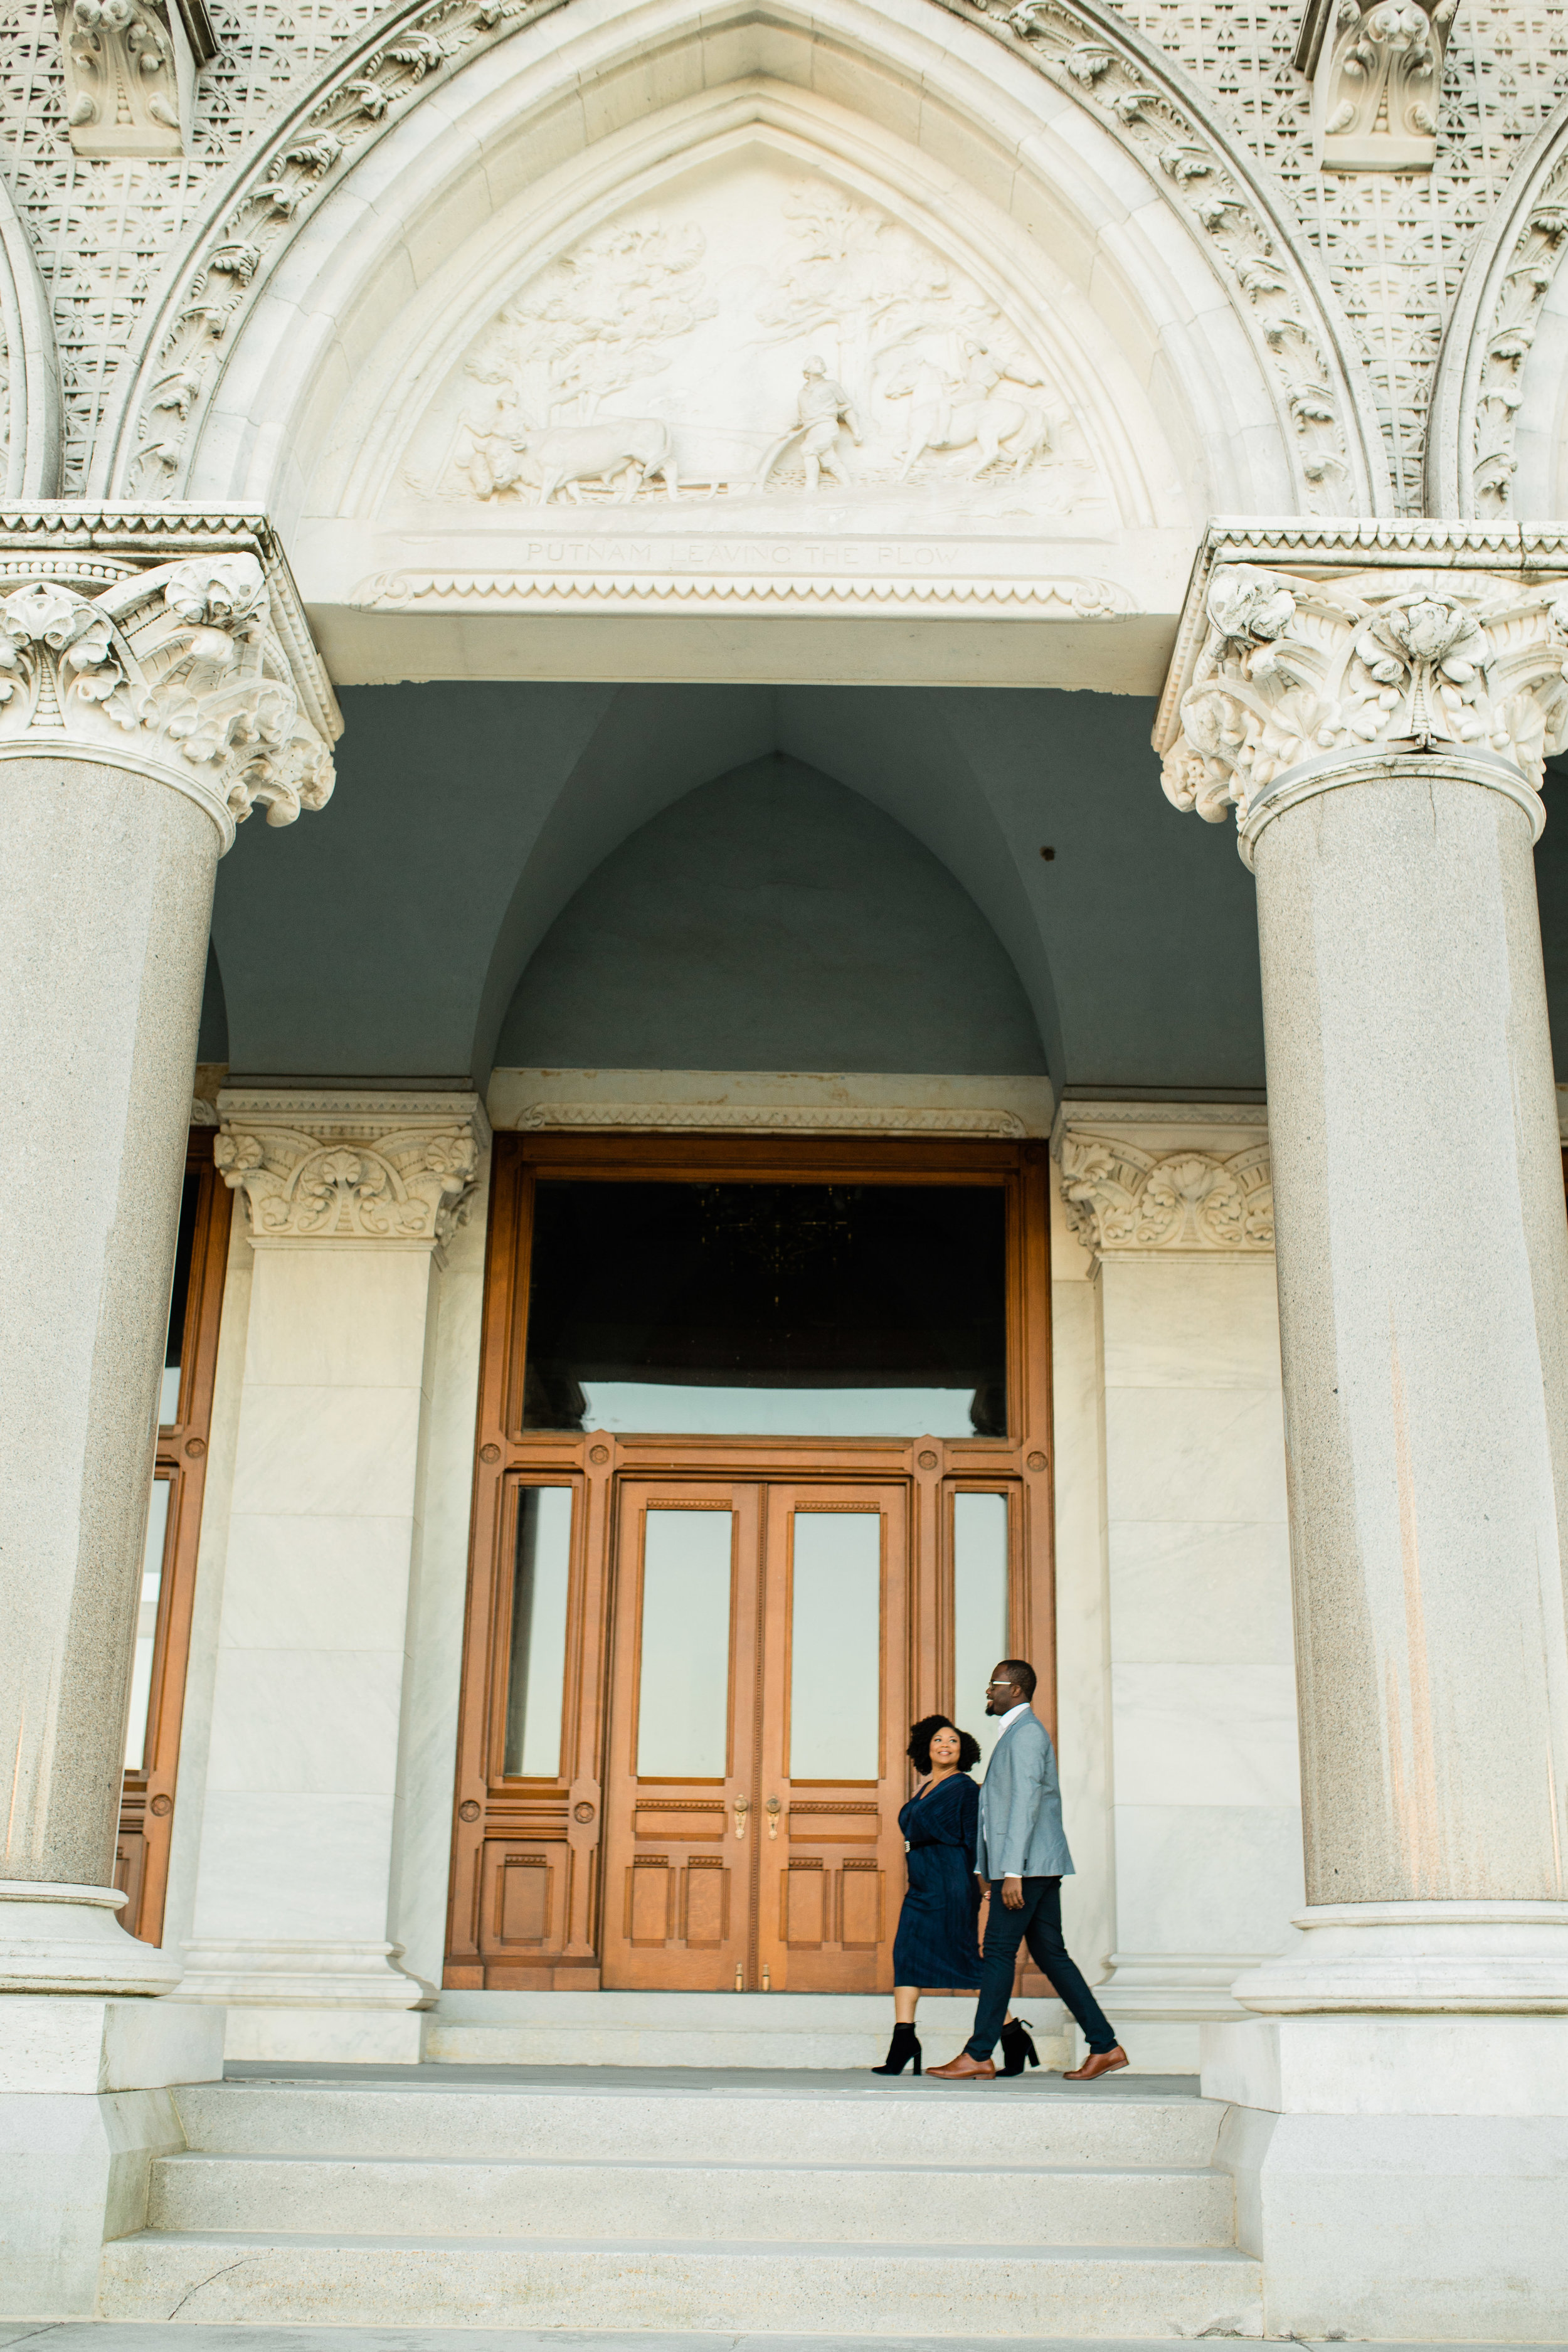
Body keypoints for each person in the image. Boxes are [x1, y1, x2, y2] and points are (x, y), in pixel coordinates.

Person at [927, 1660, 1129, 2082]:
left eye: (993, 1685)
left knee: (999, 1952)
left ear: (1015, 1690)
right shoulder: (1017, 1733)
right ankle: (1105, 2046)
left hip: (1026, 1867)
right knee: (1051, 1955)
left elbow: (1025, 1806)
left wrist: (1011, 1871)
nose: (988, 1692)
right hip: (1032, 1864)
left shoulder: (1026, 1735)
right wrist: (990, 1865)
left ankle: (980, 2052)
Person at [872, 1715, 1037, 2078]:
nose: (945, 1745)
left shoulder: (964, 1788)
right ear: (925, 1748)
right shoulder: (927, 1787)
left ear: (963, 1752)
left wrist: (988, 1883)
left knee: (965, 1961)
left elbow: (976, 1837)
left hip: (952, 1881)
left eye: (953, 1741)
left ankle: (1010, 2033)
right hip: (922, 1881)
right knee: (906, 1953)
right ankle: (904, 2039)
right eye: (938, 1740)